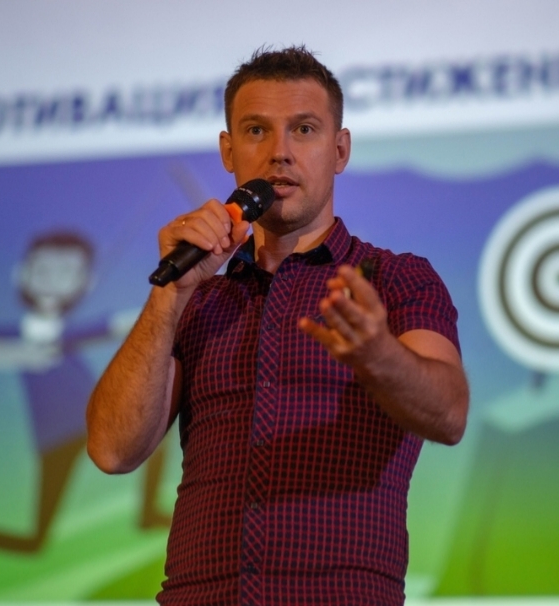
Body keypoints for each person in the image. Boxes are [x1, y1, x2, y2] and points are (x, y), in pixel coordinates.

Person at [86, 46, 469, 604]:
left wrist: (377, 352)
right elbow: (112, 450)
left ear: (340, 150)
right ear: (229, 151)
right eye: (256, 131)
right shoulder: (198, 297)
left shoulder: (394, 279)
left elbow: (450, 414)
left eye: (304, 130)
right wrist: (169, 295)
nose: (279, 153)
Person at [0, 231, 169, 580]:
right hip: (58, 437)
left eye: (67, 272)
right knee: (35, 542)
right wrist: (19, 353)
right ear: (22, 275)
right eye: (44, 271)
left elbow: (124, 323)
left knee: (154, 443)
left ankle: (147, 514)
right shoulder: (19, 336)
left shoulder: (68, 334)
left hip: (95, 423)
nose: (54, 281)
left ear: (86, 281)